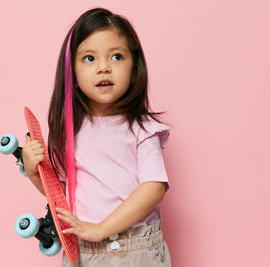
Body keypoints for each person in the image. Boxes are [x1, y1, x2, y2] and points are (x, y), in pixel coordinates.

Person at [22, 7, 171, 267]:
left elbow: (154, 187)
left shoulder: (142, 128)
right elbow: (62, 198)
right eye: (89, 59)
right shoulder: (69, 131)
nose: (104, 68)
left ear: (134, 67)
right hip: (83, 252)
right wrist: (35, 172)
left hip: (134, 251)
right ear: (73, 74)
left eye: (116, 56)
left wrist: (101, 229)